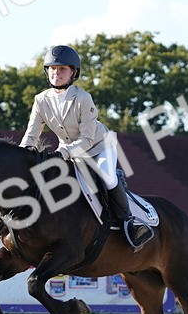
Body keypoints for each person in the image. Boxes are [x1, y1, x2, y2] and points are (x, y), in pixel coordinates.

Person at [20, 44, 153, 250]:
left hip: (99, 146)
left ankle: (130, 222)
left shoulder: (83, 98)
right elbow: (32, 134)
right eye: (53, 69)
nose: (57, 73)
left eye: (62, 69)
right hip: (70, 151)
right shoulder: (40, 100)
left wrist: (62, 152)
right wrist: (22, 154)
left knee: (106, 176)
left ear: (73, 72)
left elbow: (88, 139)